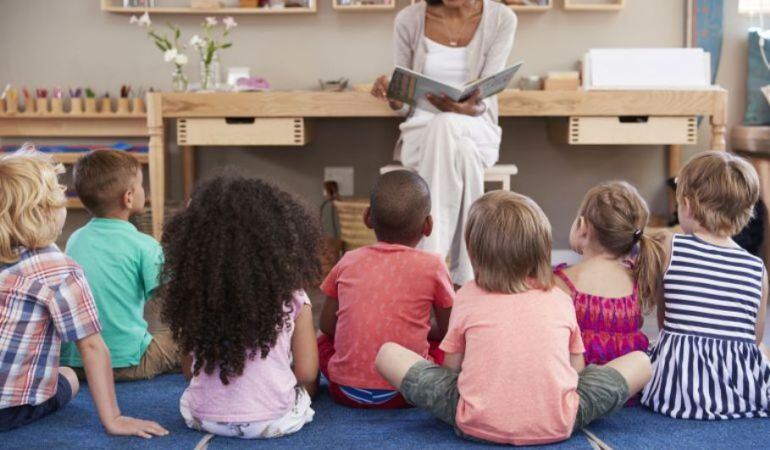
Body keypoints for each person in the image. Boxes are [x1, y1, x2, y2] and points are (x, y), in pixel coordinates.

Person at [375, 191, 651, 445]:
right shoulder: (559, 297)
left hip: (473, 421)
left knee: (388, 353)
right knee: (641, 361)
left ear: (473, 255)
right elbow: (576, 373)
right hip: (559, 422)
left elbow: (451, 371)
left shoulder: (468, 295)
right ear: (542, 252)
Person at [0, 146, 168, 437]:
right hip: (8, 410)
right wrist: (113, 418)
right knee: (67, 378)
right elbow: (91, 347)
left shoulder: (72, 242)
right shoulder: (60, 270)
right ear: (46, 213)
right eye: (60, 201)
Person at [160, 175, 320, 439]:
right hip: (274, 421)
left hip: (203, 418)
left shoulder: (195, 296)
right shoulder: (293, 298)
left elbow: (190, 372)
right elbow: (307, 372)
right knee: (305, 388)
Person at [370, 0, 517, 285]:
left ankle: (428, 267)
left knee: (447, 124)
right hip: (421, 134)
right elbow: (403, 104)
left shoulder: (502, 19)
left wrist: (463, 109)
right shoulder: (408, 20)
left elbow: (485, 96)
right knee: (455, 142)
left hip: (478, 130)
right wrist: (393, 95)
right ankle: (470, 275)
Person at [642, 151, 770, 419]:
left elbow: (665, 322)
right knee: (764, 350)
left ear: (686, 206)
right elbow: (754, 339)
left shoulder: (670, 246)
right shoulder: (757, 268)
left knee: (644, 352)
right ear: (747, 213)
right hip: (737, 393)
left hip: (678, 390)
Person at [318, 171, 454, 408]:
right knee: (445, 348)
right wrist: (422, 330)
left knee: (320, 342)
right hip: (407, 391)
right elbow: (449, 332)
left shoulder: (348, 260)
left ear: (367, 218)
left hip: (344, 390)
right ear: (428, 225)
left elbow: (327, 327)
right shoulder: (434, 266)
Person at [60, 150, 178, 381]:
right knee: (183, 334)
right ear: (129, 197)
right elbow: (173, 299)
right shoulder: (145, 245)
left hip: (78, 362)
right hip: (128, 363)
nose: (145, 190)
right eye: (142, 185)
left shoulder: (74, 239)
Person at [554, 181, 664, 369]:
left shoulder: (561, 282)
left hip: (579, 385)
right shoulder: (637, 277)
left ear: (582, 227)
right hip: (626, 386)